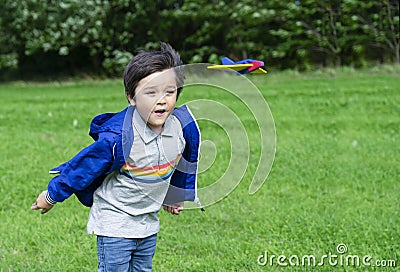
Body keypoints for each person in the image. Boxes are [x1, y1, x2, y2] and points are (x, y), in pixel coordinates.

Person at [31, 42, 201, 272]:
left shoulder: (182, 128)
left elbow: (185, 160)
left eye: (169, 92)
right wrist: (51, 195)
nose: (161, 100)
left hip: (147, 222)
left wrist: (176, 194)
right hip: (115, 222)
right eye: (150, 92)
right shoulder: (118, 138)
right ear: (131, 97)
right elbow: (83, 167)